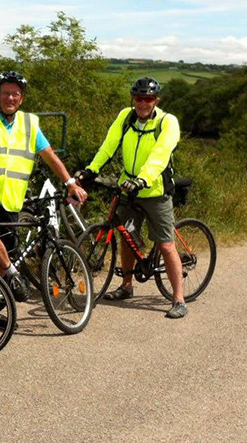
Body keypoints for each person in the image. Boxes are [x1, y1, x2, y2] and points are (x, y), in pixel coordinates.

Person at [0, 71, 87, 302]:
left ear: (21, 98)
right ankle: (15, 275)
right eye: (6, 93)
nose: (10, 98)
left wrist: (70, 183)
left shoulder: (30, 123)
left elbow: (49, 155)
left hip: (12, 200)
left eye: (15, 94)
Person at [78, 76, 186, 318]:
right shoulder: (126, 117)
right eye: (138, 98)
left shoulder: (168, 122)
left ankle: (178, 299)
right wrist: (91, 170)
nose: (143, 103)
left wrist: (144, 179)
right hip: (128, 188)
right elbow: (108, 145)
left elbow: (160, 154)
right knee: (126, 235)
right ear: (133, 99)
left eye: (148, 99)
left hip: (155, 190)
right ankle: (127, 286)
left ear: (156, 100)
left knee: (166, 244)